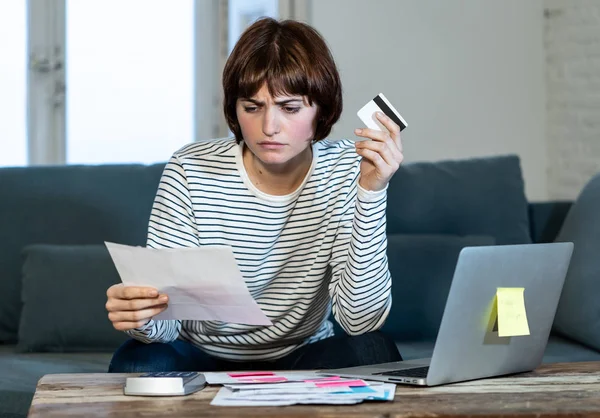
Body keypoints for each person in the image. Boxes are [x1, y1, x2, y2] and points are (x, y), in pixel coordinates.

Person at [106, 17, 404, 373]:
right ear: (234, 109)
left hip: (304, 353)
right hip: (200, 353)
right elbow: (166, 325)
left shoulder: (346, 167)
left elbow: (360, 322)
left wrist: (371, 192)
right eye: (252, 107)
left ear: (320, 110)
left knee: (374, 349)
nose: (269, 128)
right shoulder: (190, 168)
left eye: (290, 108)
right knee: (138, 361)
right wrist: (142, 315)